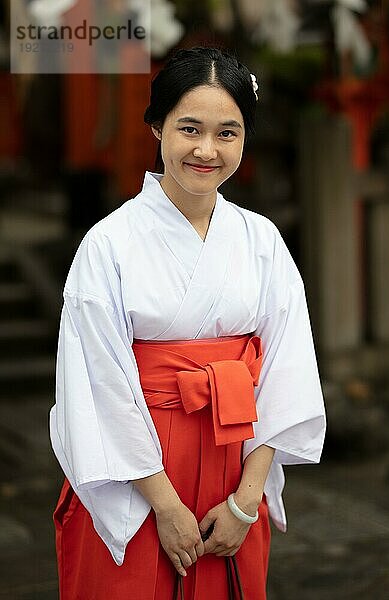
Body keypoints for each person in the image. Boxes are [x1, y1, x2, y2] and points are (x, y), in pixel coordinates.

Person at [50, 46, 326, 599]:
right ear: (157, 128)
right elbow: (97, 386)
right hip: (137, 474)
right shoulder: (107, 244)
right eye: (189, 128)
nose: (207, 149)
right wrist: (167, 505)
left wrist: (247, 502)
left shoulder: (262, 240)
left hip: (234, 466)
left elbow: (285, 372)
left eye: (228, 133)